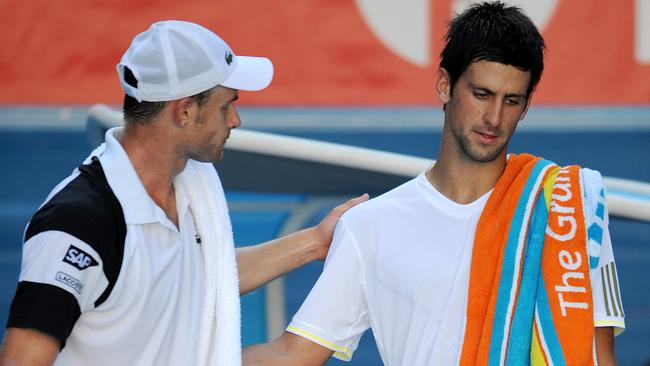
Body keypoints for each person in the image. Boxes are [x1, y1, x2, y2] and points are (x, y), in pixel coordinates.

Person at [243, 2, 625, 365]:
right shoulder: (370, 225)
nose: (493, 117)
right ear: (445, 85)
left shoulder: (564, 207)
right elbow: (291, 354)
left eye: (511, 101)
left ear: (525, 106)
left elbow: (596, 356)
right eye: (481, 94)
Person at [0, 20, 367, 365]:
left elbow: (203, 276)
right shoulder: (77, 222)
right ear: (185, 111)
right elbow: (22, 360)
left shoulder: (186, 190)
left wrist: (315, 243)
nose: (235, 120)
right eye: (227, 105)